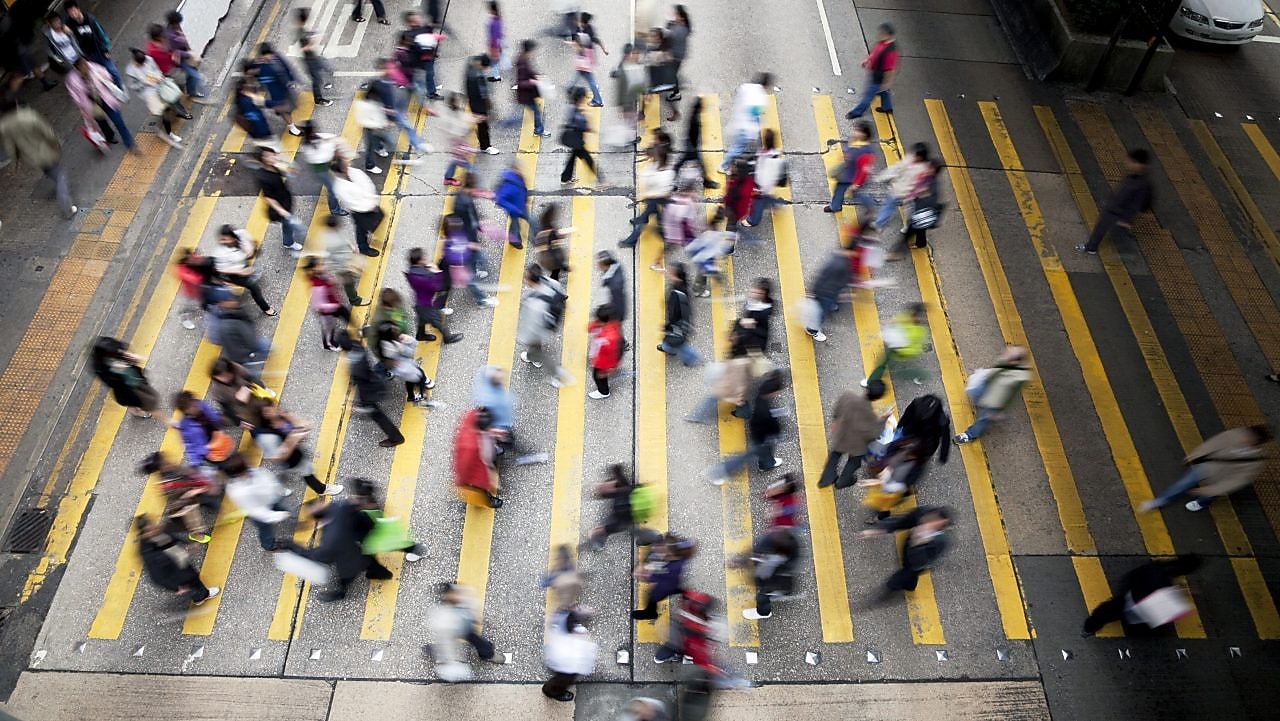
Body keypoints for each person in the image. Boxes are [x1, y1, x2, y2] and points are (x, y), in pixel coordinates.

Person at [1139, 426, 1271, 513]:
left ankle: (1202, 502)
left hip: (1222, 479)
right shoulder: (1234, 435)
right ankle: (1161, 500)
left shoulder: (1255, 461)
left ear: (1256, 443)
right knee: (1183, 483)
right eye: (1246, 435)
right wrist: (1195, 455)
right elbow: (1212, 444)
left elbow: (1235, 481)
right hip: (1207, 467)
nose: (1243, 438)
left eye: (1248, 438)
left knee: (1211, 494)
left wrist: (1209, 490)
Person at [1081, 555, 1202, 637]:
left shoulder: (1157, 569)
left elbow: (1132, 577)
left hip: (1127, 599)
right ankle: (1091, 627)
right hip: (1141, 611)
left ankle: (1089, 629)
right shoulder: (1166, 585)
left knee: (1104, 613)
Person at [0, 99, 77, 217]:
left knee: (50, 170)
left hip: (30, 157)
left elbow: (10, 147)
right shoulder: (29, 115)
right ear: (16, 104)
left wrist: (15, 163)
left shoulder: (4, 126)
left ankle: (59, 184)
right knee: (61, 175)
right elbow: (47, 133)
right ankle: (67, 207)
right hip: (45, 151)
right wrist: (55, 144)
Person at [250, 400, 342, 497]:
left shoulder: (279, 415)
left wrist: (293, 423)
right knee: (307, 470)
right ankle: (322, 490)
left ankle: (281, 479)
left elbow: (301, 425)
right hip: (290, 458)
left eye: (272, 407)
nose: (274, 410)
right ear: (263, 415)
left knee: (301, 466)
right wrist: (292, 440)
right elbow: (277, 458)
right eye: (269, 410)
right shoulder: (267, 436)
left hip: (294, 450)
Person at [709, 370, 785, 484]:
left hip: (758, 432)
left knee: (763, 451)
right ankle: (719, 472)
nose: (779, 393)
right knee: (747, 456)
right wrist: (776, 431)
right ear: (773, 391)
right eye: (778, 391)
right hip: (761, 437)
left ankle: (767, 463)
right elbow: (769, 422)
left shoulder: (762, 392)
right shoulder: (765, 410)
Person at [857, 505, 952, 596]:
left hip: (915, 564)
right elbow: (901, 522)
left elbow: (920, 563)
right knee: (909, 575)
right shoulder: (922, 513)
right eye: (931, 519)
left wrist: (918, 542)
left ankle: (892, 588)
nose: (928, 523)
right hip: (907, 552)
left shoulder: (941, 542)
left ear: (943, 526)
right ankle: (909, 585)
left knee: (898, 580)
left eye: (935, 523)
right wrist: (878, 530)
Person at [1076, 148, 1154, 255]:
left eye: (1131, 162)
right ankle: (1092, 247)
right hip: (1114, 209)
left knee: (1109, 230)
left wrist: (1126, 220)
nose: (1128, 164)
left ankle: (1094, 247)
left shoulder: (1141, 185)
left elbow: (1135, 205)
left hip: (1118, 213)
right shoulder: (1133, 176)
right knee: (1103, 228)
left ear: (1140, 165)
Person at [953, 346, 1031, 445]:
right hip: (987, 387)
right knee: (974, 393)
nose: (1005, 354)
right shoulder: (1006, 361)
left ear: (1015, 361)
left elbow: (1010, 396)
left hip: (995, 400)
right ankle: (981, 405)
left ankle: (969, 435)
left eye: (1009, 354)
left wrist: (1000, 410)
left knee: (984, 418)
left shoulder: (1018, 378)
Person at [134, 514, 219, 604]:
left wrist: (187, 543)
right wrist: (175, 587)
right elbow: (156, 577)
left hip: (178, 561)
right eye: (150, 529)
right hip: (174, 572)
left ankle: (198, 594)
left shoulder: (156, 532)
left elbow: (171, 538)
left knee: (193, 577)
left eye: (153, 526)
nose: (155, 529)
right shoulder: (148, 553)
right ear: (144, 534)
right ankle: (202, 596)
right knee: (192, 581)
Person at [426, 583, 504, 681]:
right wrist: (452, 662)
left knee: (478, 641)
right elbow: (447, 643)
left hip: (465, 628)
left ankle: (488, 654)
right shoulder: (443, 617)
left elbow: (473, 605)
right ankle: (434, 651)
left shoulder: (463, 594)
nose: (455, 596)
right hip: (451, 632)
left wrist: (475, 619)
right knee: (446, 649)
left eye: (453, 593)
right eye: (450, 595)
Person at [819, 379, 887, 489]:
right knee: (854, 462)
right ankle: (843, 481)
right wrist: (883, 419)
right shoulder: (871, 417)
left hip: (841, 434)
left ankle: (826, 479)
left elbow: (837, 410)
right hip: (857, 445)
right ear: (878, 398)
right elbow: (874, 434)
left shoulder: (848, 395)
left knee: (834, 456)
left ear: (867, 388)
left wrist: (835, 420)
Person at [141, 451, 219, 544]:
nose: (167, 461)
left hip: (192, 493)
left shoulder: (171, 468)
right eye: (163, 462)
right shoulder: (167, 484)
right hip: (182, 506)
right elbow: (182, 498)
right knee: (193, 520)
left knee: (208, 502)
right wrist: (196, 490)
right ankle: (196, 535)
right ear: (160, 467)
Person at [518, 265, 574, 387]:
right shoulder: (551, 282)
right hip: (553, 321)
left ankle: (556, 374)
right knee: (535, 349)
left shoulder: (533, 303)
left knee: (538, 351)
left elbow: (531, 327)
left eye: (525, 277)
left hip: (539, 331)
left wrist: (523, 338)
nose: (523, 279)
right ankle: (533, 357)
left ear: (532, 281)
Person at [344, 338, 405, 448]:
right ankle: (395, 437)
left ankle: (396, 438)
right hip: (374, 383)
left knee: (378, 416)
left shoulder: (356, 367)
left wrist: (364, 404)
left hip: (370, 392)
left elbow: (362, 383)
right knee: (375, 413)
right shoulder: (358, 347)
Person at [66, 57, 136, 154]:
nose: (87, 66)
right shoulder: (72, 79)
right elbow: (74, 95)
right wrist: (81, 107)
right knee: (101, 120)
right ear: (77, 68)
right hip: (91, 103)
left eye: (86, 63)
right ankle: (110, 136)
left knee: (118, 120)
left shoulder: (93, 67)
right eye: (83, 65)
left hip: (104, 97)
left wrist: (106, 80)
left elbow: (106, 74)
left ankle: (129, 142)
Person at [223, 452, 291, 551]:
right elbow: (257, 511)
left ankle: (287, 518)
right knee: (265, 528)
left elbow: (267, 478)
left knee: (282, 509)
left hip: (271, 499)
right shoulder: (238, 492)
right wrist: (277, 516)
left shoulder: (251, 472)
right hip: (260, 510)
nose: (248, 469)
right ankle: (268, 545)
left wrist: (279, 490)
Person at [124, 47, 190, 149]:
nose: (143, 65)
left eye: (144, 62)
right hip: (148, 94)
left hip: (159, 87)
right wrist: (143, 83)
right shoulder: (130, 71)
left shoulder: (148, 59)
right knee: (164, 111)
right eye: (140, 64)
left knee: (166, 109)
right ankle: (169, 133)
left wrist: (159, 76)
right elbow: (132, 86)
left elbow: (156, 69)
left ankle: (165, 127)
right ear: (135, 62)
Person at [686, 331, 753, 424]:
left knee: (711, 398)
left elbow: (738, 381)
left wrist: (739, 395)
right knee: (741, 401)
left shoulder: (739, 362)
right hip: (732, 384)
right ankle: (745, 413)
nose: (731, 339)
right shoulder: (742, 355)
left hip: (729, 387)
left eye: (734, 338)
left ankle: (696, 416)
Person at [211, 224, 277, 315]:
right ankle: (266, 308)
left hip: (243, 264)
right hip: (235, 273)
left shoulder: (241, 234)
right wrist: (240, 272)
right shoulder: (220, 252)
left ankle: (249, 275)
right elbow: (220, 268)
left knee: (252, 271)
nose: (222, 242)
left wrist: (249, 248)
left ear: (233, 237)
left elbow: (250, 242)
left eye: (225, 239)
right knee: (254, 288)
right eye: (221, 239)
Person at [620, 143, 674, 248]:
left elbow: (666, 192)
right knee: (658, 218)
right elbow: (646, 174)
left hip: (658, 199)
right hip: (652, 199)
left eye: (653, 157)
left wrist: (646, 194)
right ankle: (666, 236)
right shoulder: (655, 165)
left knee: (647, 220)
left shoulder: (667, 173)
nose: (650, 158)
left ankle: (631, 241)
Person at [741, 527, 802, 620]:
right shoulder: (789, 544)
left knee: (763, 595)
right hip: (775, 573)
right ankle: (781, 592)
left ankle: (763, 612)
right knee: (767, 586)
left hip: (773, 578)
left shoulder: (777, 555)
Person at [586, 465, 651, 550]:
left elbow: (615, 527)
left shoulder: (619, 508)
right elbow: (619, 473)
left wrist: (596, 531)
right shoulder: (623, 486)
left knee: (630, 528)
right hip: (641, 501)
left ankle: (598, 544)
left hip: (630, 515)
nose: (602, 486)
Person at [91, 336, 159, 418]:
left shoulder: (114, 348)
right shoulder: (100, 368)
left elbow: (123, 349)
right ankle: (138, 412)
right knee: (133, 401)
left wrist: (129, 356)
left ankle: (137, 409)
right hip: (125, 387)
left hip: (132, 377)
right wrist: (117, 370)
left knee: (137, 398)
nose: (119, 351)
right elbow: (110, 382)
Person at [631, 534, 695, 621]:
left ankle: (650, 613)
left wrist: (644, 576)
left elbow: (658, 577)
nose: (657, 548)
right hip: (670, 581)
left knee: (653, 597)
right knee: (675, 588)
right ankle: (685, 593)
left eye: (665, 551)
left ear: (673, 556)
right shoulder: (671, 547)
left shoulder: (673, 568)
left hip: (666, 585)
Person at [405, 248, 463, 343]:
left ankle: (420, 335)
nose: (425, 258)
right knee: (437, 320)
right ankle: (448, 337)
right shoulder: (423, 276)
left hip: (419, 301)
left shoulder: (412, 272)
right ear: (419, 261)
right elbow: (438, 287)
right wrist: (437, 272)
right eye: (423, 258)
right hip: (426, 304)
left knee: (422, 319)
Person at [254, 146, 306, 251]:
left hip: (285, 199)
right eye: (268, 156)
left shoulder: (274, 167)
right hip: (279, 207)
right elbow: (268, 197)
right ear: (263, 159)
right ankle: (288, 243)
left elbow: (291, 172)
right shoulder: (263, 177)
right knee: (287, 225)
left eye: (273, 154)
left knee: (288, 223)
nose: (273, 157)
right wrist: (282, 211)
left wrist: (287, 166)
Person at [871, 141, 931, 231]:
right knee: (888, 206)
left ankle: (908, 227)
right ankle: (879, 224)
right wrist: (882, 176)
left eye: (918, 155)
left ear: (922, 157)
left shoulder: (924, 169)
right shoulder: (909, 158)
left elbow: (920, 184)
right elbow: (896, 169)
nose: (915, 157)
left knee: (908, 212)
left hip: (908, 194)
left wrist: (913, 194)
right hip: (897, 189)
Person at [893, 157, 946, 259]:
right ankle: (920, 243)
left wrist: (921, 194)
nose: (928, 168)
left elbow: (930, 200)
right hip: (920, 210)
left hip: (921, 212)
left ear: (934, 170)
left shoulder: (933, 185)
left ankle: (897, 252)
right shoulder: (927, 178)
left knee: (911, 230)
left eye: (931, 167)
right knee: (919, 230)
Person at [863, 303, 928, 385]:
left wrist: (901, 350)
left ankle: (919, 374)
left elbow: (915, 349)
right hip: (894, 345)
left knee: (895, 371)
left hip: (900, 351)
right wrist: (891, 323)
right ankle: (872, 380)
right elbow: (899, 320)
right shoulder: (908, 316)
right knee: (883, 364)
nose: (914, 317)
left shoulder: (920, 332)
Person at [331, 157, 384, 257]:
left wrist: (373, 201)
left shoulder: (355, 172)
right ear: (342, 169)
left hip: (371, 204)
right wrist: (369, 206)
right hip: (360, 211)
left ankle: (370, 230)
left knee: (377, 218)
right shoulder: (339, 187)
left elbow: (368, 184)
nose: (348, 163)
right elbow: (352, 203)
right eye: (345, 164)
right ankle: (363, 247)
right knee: (361, 229)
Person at [542, 609, 597, 702]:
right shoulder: (568, 647)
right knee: (562, 681)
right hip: (564, 667)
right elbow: (575, 661)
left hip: (562, 662)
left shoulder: (562, 622)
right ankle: (551, 691)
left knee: (564, 679)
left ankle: (552, 689)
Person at [212, 295, 272, 381]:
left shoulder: (233, 310)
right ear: (221, 303)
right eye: (228, 299)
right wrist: (246, 356)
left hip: (252, 340)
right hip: (246, 351)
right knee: (251, 372)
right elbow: (234, 349)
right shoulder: (225, 326)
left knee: (266, 346)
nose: (232, 299)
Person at [847, 23, 898, 119]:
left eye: (882, 34)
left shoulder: (890, 52)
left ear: (889, 35)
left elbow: (889, 70)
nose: (879, 35)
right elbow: (875, 52)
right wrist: (867, 60)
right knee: (884, 91)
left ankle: (857, 112)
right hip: (876, 72)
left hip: (879, 77)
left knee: (867, 96)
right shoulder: (882, 42)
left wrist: (887, 83)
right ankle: (887, 107)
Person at [453, 408, 503, 508]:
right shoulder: (469, 447)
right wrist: (462, 481)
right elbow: (464, 465)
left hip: (484, 452)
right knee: (482, 488)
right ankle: (488, 500)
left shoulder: (473, 417)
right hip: (478, 469)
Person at [64, 1, 121, 87]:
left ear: (78, 9)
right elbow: (63, 27)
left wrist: (106, 49)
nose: (73, 13)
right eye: (70, 12)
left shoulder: (90, 20)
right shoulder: (70, 23)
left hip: (100, 51)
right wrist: (65, 28)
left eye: (73, 10)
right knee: (99, 76)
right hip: (89, 55)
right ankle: (109, 91)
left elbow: (102, 34)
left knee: (112, 71)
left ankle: (120, 89)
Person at [825, 120, 877, 214]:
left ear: (864, 134)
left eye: (858, 130)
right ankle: (835, 207)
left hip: (853, 178)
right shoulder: (856, 141)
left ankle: (869, 204)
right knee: (839, 191)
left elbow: (863, 171)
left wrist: (856, 184)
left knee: (857, 194)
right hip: (847, 172)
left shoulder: (866, 152)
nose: (854, 132)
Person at [722, 73, 771, 171]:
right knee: (738, 148)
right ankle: (724, 165)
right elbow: (753, 116)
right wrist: (752, 133)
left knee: (747, 147)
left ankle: (752, 161)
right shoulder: (761, 98)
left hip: (739, 121)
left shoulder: (747, 87)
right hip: (745, 127)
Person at [251, 43, 300, 137]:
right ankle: (291, 127)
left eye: (271, 54)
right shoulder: (259, 67)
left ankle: (280, 112)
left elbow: (287, 67)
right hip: (276, 93)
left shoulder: (277, 58)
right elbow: (254, 77)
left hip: (286, 88)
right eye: (267, 55)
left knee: (291, 106)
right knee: (285, 110)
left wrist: (292, 80)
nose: (270, 57)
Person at [657, 263, 702, 367]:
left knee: (679, 345)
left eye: (672, 273)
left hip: (677, 326)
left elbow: (675, 314)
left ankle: (693, 358)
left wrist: (667, 326)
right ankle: (670, 348)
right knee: (674, 343)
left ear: (678, 277)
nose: (669, 274)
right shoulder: (680, 287)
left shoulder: (679, 293)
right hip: (678, 324)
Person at [304, 256, 351, 351]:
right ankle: (329, 345)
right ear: (314, 268)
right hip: (328, 312)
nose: (323, 265)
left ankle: (357, 329)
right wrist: (334, 306)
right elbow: (318, 306)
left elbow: (331, 281)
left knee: (347, 315)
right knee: (329, 329)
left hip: (336, 303)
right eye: (320, 265)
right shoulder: (316, 286)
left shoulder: (322, 274)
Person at [741, 129, 786, 229]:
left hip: (762, 186)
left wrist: (758, 190)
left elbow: (765, 178)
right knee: (765, 198)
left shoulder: (768, 157)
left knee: (759, 203)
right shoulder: (773, 155)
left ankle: (753, 220)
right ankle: (776, 203)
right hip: (764, 185)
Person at [299, 123, 346, 216]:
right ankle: (335, 209)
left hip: (325, 165)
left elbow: (331, 138)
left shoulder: (315, 138)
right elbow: (322, 157)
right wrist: (332, 148)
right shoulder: (307, 146)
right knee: (332, 189)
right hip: (320, 169)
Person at [673, 96, 719, 189]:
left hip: (691, 145)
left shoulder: (694, 115)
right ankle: (706, 182)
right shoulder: (695, 118)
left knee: (681, 163)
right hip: (692, 147)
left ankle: (672, 181)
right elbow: (693, 133)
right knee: (697, 164)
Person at [294, 7, 334, 106]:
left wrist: (311, 35)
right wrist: (313, 41)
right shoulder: (300, 33)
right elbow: (303, 48)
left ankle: (326, 82)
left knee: (326, 67)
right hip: (309, 60)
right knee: (316, 79)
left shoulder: (301, 29)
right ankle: (318, 99)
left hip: (313, 57)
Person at [659, 179, 700, 275]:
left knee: (670, 248)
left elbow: (668, 215)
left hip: (675, 232)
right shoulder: (687, 203)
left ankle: (658, 261)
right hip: (680, 233)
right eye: (693, 192)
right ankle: (657, 262)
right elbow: (684, 219)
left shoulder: (675, 198)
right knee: (672, 247)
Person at [164, 11, 208, 100]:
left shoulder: (175, 28)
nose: (179, 25)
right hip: (181, 59)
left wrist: (188, 48)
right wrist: (188, 54)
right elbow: (175, 52)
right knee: (195, 76)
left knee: (192, 74)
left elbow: (183, 39)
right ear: (173, 23)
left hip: (186, 54)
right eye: (178, 23)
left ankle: (191, 90)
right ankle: (199, 94)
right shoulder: (170, 36)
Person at [560, 87, 599, 186]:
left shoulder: (571, 106)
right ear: (581, 98)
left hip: (575, 139)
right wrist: (590, 129)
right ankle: (601, 181)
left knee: (572, 158)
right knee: (588, 159)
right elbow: (582, 125)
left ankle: (565, 178)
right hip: (576, 140)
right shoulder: (576, 110)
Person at [569, 13, 607, 107]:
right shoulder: (581, 29)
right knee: (582, 75)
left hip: (585, 58)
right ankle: (570, 88)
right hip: (583, 58)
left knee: (590, 79)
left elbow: (582, 46)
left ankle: (598, 99)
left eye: (579, 20)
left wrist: (573, 44)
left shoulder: (587, 31)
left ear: (582, 22)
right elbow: (596, 40)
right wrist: (604, 49)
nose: (577, 22)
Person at [493, 161, 533, 248]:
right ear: (513, 170)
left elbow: (523, 188)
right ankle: (514, 241)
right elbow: (500, 200)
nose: (521, 170)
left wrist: (526, 198)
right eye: (518, 169)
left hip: (521, 205)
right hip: (514, 209)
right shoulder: (507, 185)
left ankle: (536, 237)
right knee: (515, 225)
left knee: (531, 220)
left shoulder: (518, 177)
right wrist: (513, 209)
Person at [514, 39, 549, 137]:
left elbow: (529, 72)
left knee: (535, 111)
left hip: (528, 94)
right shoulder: (522, 62)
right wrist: (532, 81)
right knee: (533, 113)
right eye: (534, 51)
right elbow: (521, 82)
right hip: (525, 94)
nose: (535, 53)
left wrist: (537, 76)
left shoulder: (524, 59)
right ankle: (538, 130)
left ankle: (539, 130)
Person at [587, 306, 623, 400]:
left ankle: (603, 392)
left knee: (598, 377)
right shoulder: (612, 324)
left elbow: (611, 355)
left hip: (603, 363)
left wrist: (607, 370)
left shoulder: (609, 339)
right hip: (600, 357)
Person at [465, 55, 498, 155]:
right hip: (479, 106)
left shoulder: (470, 68)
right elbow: (483, 94)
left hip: (472, 103)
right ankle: (485, 146)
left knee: (481, 125)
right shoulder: (478, 77)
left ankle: (484, 144)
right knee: (483, 126)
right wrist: (489, 106)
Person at [736, 277, 774, 355]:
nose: (752, 292)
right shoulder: (753, 301)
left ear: (763, 294)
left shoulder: (764, 312)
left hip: (755, 345)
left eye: (757, 292)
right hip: (746, 334)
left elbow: (764, 333)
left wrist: (752, 326)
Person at [533, 204, 570, 282]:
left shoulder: (544, 225)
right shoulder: (548, 232)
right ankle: (555, 279)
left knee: (557, 267)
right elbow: (553, 246)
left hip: (548, 257)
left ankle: (561, 269)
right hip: (550, 259)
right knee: (555, 271)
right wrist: (560, 236)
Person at [233, 78, 274, 144]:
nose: (253, 85)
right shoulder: (245, 102)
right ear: (245, 88)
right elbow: (256, 119)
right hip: (261, 135)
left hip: (261, 133)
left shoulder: (247, 98)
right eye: (250, 84)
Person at [597, 251, 628, 322]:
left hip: (616, 312)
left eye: (599, 264)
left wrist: (617, 317)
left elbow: (619, 303)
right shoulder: (615, 265)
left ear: (604, 265)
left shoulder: (615, 286)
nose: (597, 265)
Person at [486, 2, 505, 81]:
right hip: (499, 42)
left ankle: (496, 77)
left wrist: (491, 46)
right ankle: (496, 75)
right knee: (496, 60)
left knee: (493, 61)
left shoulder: (493, 22)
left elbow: (493, 36)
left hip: (494, 44)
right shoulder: (499, 18)